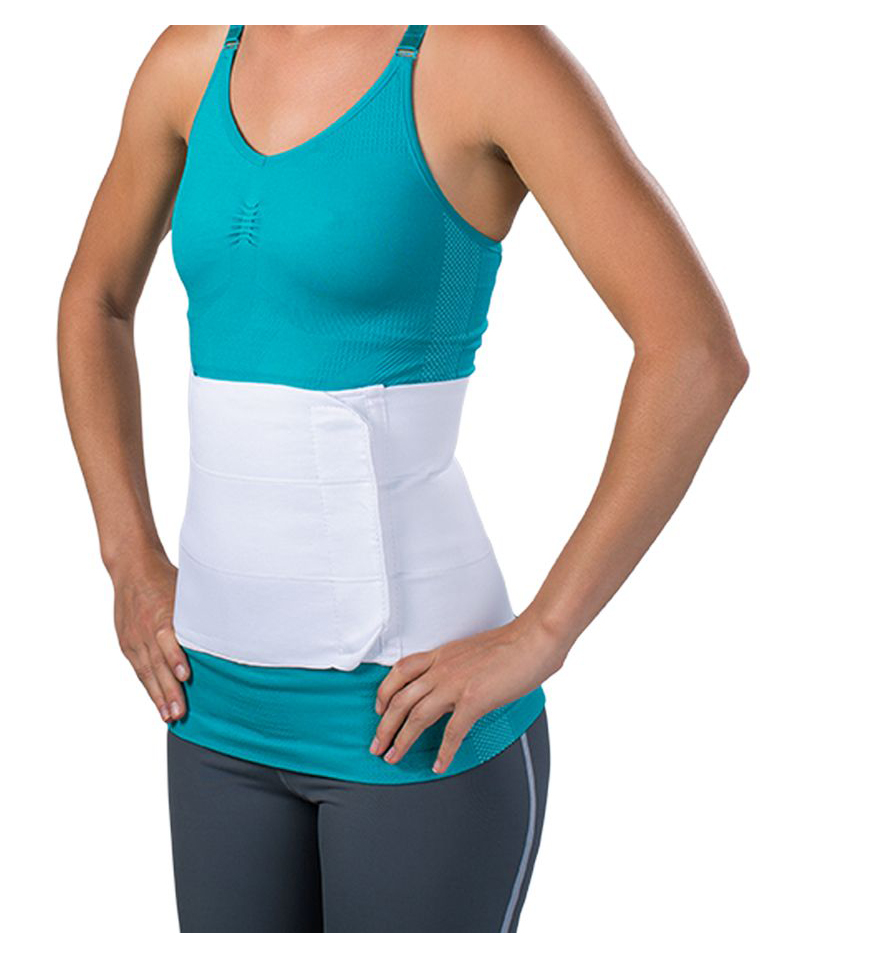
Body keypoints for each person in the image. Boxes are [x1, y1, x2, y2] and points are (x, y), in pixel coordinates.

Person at [57, 25, 748, 933]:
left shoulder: (487, 57)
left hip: (415, 717)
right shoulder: (190, 61)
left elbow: (696, 352)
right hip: (209, 708)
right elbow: (96, 301)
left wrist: (546, 633)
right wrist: (128, 558)